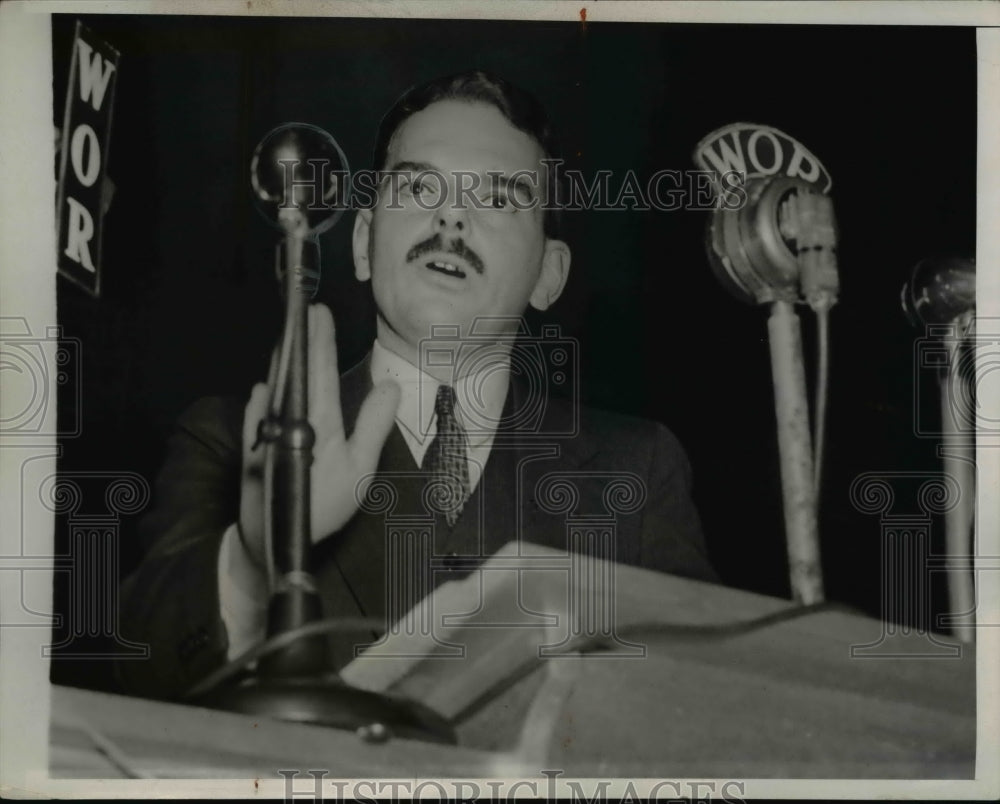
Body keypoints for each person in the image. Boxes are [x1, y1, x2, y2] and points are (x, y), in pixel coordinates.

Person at [117, 71, 717, 700]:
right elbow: (131, 678)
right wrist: (253, 555)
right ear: (361, 243)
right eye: (419, 186)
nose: (451, 216)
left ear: (549, 274)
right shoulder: (225, 441)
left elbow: (708, 713)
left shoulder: (639, 470)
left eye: (499, 200)